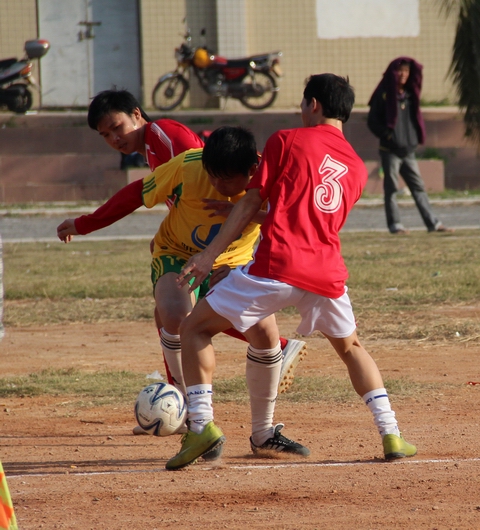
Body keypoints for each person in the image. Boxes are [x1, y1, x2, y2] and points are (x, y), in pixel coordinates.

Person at [167, 73, 417, 471]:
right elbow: (308, 220)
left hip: (278, 266)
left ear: (313, 104)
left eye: (303, 102)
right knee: (352, 348)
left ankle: (200, 426)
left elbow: (251, 202)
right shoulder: (357, 167)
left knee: (194, 328)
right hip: (327, 274)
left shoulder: (286, 140)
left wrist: (210, 255)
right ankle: (392, 434)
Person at [56, 126, 307, 459]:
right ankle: (193, 419)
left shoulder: (271, 177)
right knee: (175, 315)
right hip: (177, 253)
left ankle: (263, 433)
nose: (216, 184)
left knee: (266, 335)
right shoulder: (188, 165)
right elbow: (135, 194)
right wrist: (85, 223)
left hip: (232, 262)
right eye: (211, 175)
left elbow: (293, 224)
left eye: (225, 180)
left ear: (251, 170)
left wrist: (247, 246)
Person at [367, 57, 452, 234]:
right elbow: (372, 121)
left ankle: (433, 224)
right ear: (393, 73)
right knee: (391, 189)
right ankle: (395, 225)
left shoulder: (410, 94)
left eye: (406, 71)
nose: (403, 75)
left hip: (408, 151)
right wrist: (388, 135)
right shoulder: (384, 94)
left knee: (418, 187)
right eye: (400, 71)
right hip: (390, 151)